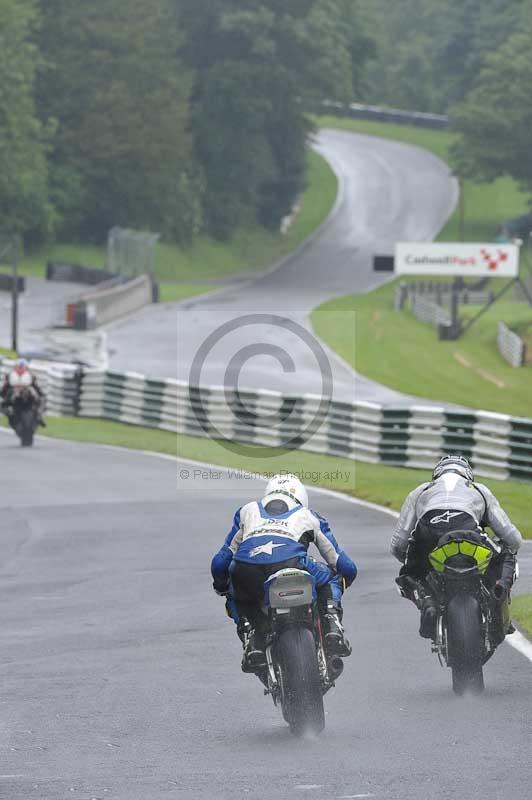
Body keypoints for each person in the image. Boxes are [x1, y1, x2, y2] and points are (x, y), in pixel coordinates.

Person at [211, 473, 357, 671]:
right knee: (332, 578)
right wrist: (345, 579)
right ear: (302, 498)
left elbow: (219, 564)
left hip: (247, 569)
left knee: (232, 590)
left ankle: (250, 633)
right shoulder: (310, 516)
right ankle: (332, 624)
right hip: (293, 563)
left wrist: (222, 586)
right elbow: (344, 565)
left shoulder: (247, 511)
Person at [391, 454, 522, 640]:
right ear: (468, 475)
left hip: (427, 532)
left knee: (407, 575)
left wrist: (418, 564)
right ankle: (498, 592)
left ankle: (427, 600)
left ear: (436, 475)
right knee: (506, 555)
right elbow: (513, 538)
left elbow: (398, 544)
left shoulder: (420, 491)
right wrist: (504, 550)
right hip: (467, 528)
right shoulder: (479, 489)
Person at [1, 358, 45, 427]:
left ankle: (38, 416)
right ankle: (10, 415)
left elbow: (36, 386)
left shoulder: (30, 376)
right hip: (15, 390)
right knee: (3, 404)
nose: (21, 369)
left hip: (26, 390)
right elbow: (5, 387)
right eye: (19, 367)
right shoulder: (10, 375)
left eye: (22, 367)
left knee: (39, 400)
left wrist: (40, 394)